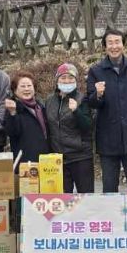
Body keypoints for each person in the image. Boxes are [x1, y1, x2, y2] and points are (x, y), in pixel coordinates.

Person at [86, 28, 127, 193]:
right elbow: (91, 103)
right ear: (104, 47)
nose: (114, 46)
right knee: (109, 187)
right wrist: (98, 94)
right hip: (108, 138)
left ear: (123, 45)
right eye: (110, 43)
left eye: (117, 42)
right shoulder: (96, 71)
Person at [45, 63, 94, 193]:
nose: (67, 81)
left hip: (80, 156)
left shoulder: (82, 99)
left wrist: (76, 111)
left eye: (70, 78)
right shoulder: (49, 101)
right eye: (63, 77)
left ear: (76, 80)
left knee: (86, 196)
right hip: (58, 158)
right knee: (62, 198)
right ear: (57, 80)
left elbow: (88, 127)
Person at [4, 70, 51, 167]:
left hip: (45, 160)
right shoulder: (12, 107)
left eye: (29, 86)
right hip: (25, 162)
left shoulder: (40, 107)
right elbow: (11, 132)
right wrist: (13, 113)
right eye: (22, 86)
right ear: (15, 90)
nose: (26, 89)